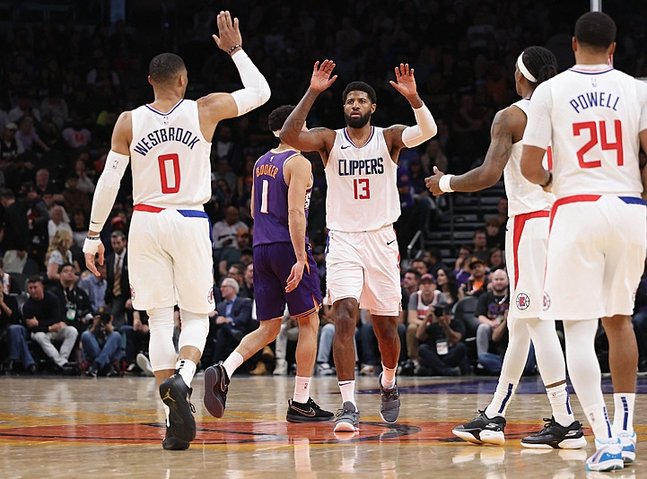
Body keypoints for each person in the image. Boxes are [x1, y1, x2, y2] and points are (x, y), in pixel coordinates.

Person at [83, 11, 270, 451]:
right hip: (188, 218)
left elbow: (109, 181)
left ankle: (173, 423)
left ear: (150, 80)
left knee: (159, 321)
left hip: (145, 220)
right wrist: (235, 51)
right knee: (198, 317)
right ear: (184, 80)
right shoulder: (204, 109)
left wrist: (93, 236)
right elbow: (261, 93)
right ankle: (185, 378)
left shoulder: (128, 121)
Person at [427, 46, 586, 450]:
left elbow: (487, 174)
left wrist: (445, 183)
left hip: (530, 224)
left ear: (520, 76)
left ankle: (565, 421)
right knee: (520, 322)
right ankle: (494, 416)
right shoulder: (568, 114)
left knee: (537, 321)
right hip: (563, 221)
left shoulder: (512, 116)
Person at [280, 59, 438, 432]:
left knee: (386, 330)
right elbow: (290, 135)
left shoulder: (389, 137)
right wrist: (312, 92)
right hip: (344, 239)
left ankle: (388, 380)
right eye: (349, 100)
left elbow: (428, 130)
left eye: (361, 100)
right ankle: (348, 404)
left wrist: (414, 98)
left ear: (372, 107)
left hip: (381, 239)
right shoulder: (328, 139)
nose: (354, 104)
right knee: (344, 315)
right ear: (344, 107)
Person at [520, 12, 647, 472]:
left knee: (577, 328)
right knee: (620, 321)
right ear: (614, 48)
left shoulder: (550, 91)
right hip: (629, 208)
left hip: (576, 208)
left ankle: (605, 439)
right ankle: (627, 432)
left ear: (573, 44)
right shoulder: (638, 89)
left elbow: (530, 166)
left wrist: (552, 181)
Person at [203, 105, 333, 423]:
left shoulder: (261, 162)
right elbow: (295, 212)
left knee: (269, 327)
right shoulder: (298, 162)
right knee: (309, 322)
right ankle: (301, 401)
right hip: (288, 246)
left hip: (261, 247)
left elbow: (252, 210)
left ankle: (225, 369)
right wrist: (300, 257)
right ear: (294, 127)